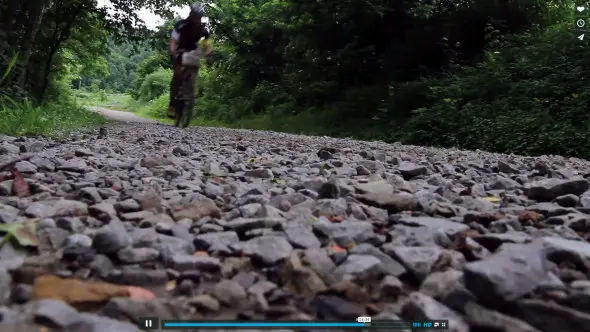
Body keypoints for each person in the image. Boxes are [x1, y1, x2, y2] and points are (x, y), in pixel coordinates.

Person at [168, 2, 213, 119]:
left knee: (193, 71)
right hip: (179, 49)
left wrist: (208, 52)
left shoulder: (203, 29)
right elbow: (173, 41)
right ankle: (172, 105)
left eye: (199, 18)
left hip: (192, 51)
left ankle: (190, 89)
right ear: (191, 16)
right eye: (195, 17)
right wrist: (173, 52)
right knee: (177, 75)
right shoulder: (181, 25)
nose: (197, 20)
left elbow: (207, 44)